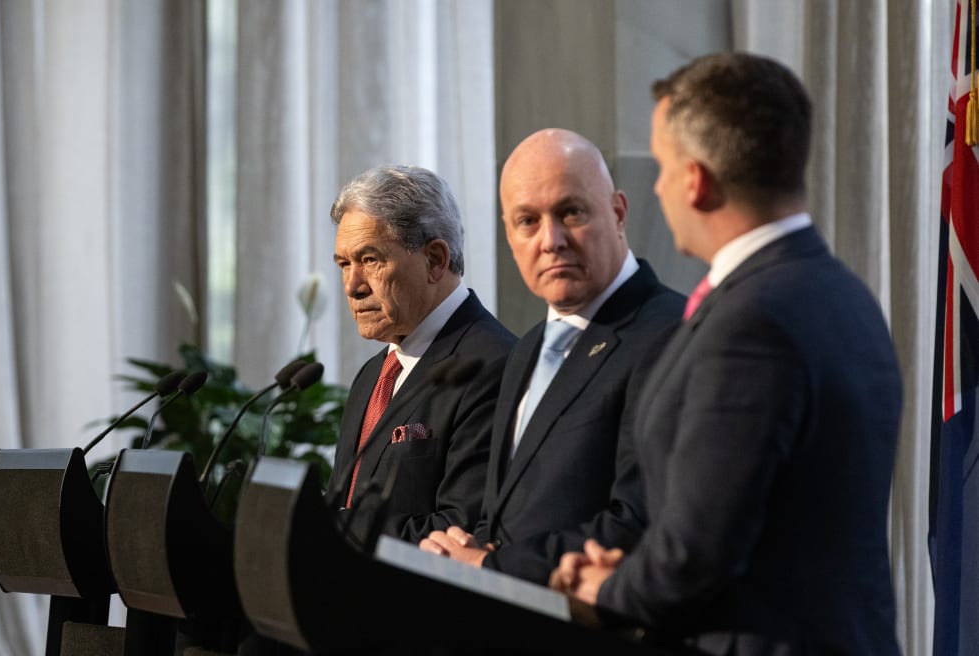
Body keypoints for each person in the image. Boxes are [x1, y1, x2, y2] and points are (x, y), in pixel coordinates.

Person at [549, 52, 903, 654]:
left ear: (696, 179)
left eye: (661, 166)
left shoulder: (752, 323)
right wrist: (633, 570)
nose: (656, 186)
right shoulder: (845, 293)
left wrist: (605, 589)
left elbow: (697, 554)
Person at [419, 128, 684, 584]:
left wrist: (490, 565)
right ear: (508, 233)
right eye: (528, 221)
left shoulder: (671, 333)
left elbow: (639, 521)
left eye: (571, 212)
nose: (551, 240)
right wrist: (466, 548)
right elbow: (504, 514)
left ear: (618, 213)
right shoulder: (526, 349)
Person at [326, 164, 516, 547]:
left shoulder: (493, 365)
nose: (352, 286)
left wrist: (333, 530)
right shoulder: (372, 375)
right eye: (345, 264)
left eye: (370, 260)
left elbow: (460, 530)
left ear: (435, 260)